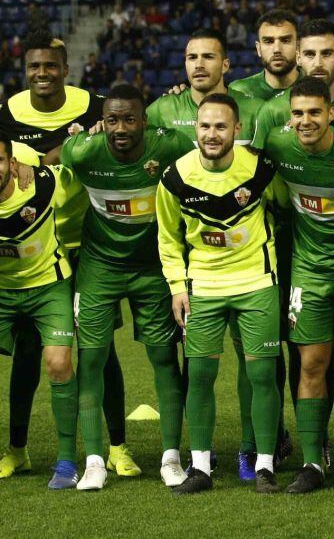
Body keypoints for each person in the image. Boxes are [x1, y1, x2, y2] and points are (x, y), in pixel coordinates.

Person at [0, 30, 137, 481]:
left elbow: (130, 130)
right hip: (32, 254)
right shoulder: (6, 113)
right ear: (26, 71)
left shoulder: (96, 107)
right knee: (28, 351)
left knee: (100, 349)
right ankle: (17, 448)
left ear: (64, 69)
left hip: (87, 244)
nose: (42, 74)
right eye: (34, 67)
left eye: (50, 66)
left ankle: (117, 446)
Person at [60, 84, 191, 490]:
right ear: (104, 121)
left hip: (153, 268)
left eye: (129, 119)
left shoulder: (171, 147)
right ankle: (96, 460)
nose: (120, 127)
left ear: (145, 122)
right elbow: (54, 158)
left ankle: (172, 457)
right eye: (112, 119)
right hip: (99, 267)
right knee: (92, 359)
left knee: (164, 358)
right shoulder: (83, 151)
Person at [156, 93, 283, 495]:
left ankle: (264, 465)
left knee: (262, 373)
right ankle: (201, 468)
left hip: (256, 282)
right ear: (195, 128)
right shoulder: (175, 177)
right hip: (203, 286)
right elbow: (168, 238)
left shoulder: (261, 169)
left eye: (221, 126)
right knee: (200, 375)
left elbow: (287, 206)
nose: (212, 134)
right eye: (205, 126)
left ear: (237, 130)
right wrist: (178, 286)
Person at [261, 76, 334, 494]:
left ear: (332, 113)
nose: (306, 121)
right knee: (312, 364)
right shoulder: (277, 145)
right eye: (298, 113)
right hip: (308, 271)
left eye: (314, 112)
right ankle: (313, 462)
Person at [0, 132, 83, 488]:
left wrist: (83, 138)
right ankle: (16, 452)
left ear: (11, 163)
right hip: (3, 293)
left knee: (59, 363)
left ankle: (66, 462)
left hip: (48, 287)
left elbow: (79, 166)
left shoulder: (44, 185)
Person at [254, 19, 334, 145]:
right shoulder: (272, 110)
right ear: (298, 58)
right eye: (310, 54)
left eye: (327, 54)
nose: (318, 63)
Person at [147, 29, 262, 146]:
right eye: (192, 57)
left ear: (225, 65)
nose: (199, 65)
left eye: (208, 57)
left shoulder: (256, 111)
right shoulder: (161, 110)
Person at [228, 9, 301, 101]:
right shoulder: (238, 92)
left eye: (285, 40)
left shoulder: (318, 88)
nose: (277, 49)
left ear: (298, 46)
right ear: (258, 49)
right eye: (268, 41)